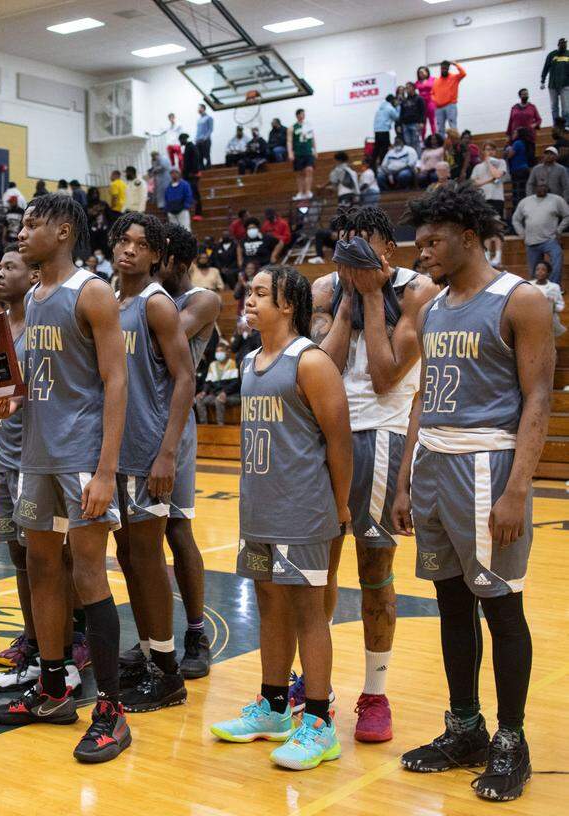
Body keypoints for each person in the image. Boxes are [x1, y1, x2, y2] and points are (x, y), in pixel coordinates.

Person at [394, 182, 552, 802]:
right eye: (420, 242)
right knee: (451, 604)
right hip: (434, 464)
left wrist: (518, 489)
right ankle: (465, 728)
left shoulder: (522, 299)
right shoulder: (430, 307)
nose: (423, 253)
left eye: (433, 242)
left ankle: (511, 741)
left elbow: (538, 396)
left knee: (501, 607)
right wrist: (407, 475)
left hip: (489, 466)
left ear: (468, 237)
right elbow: (422, 396)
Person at [0, 193, 131, 764]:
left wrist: (105, 469)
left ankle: (112, 713)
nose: (21, 233)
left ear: (64, 231)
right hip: (35, 455)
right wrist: (8, 403)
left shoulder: (91, 291)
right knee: (43, 567)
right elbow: (39, 378)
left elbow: (115, 382)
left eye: (31, 224)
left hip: (80, 460)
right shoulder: (33, 296)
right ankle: (52, 689)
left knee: (89, 575)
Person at [209, 265, 351, 771]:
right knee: (268, 604)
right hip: (260, 509)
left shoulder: (310, 362)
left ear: (288, 305)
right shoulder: (250, 362)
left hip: (305, 510)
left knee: (310, 612)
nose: (249, 299)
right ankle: (272, 707)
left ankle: (319, 722)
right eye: (249, 291)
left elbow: (339, 440)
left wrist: (339, 508)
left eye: (261, 293)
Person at [309, 206, 438, 744]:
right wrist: (347, 297)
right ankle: (315, 688)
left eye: (364, 243)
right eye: (346, 243)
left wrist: (368, 293)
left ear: (389, 249)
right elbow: (323, 366)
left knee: (376, 574)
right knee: (319, 572)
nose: (353, 252)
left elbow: (386, 377)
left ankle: (375, 694)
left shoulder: (417, 291)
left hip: (381, 437)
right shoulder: (322, 290)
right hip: (325, 436)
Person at [0, 248, 79, 692]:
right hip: (4, 457)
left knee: (50, 557)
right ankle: (35, 648)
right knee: (19, 556)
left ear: (34, 275)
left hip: (43, 458)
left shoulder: (44, 323)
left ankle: (66, 650)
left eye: (9, 267)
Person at [107, 213, 194, 713]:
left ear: (158, 256)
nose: (131, 250)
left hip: (146, 452)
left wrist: (167, 452)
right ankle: (146, 651)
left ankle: (168, 671)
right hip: (112, 452)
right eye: (125, 240)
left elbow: (184, 379)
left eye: (142, 245)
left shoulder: (156, 305)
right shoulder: (110, 301)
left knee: (147, 557)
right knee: (128, 558)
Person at [156, 224, 220, 678]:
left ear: (176, 261)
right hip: (131, 422)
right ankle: (150, 639)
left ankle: (196, 631)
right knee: (136, 538)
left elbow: (163, 339)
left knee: (178, 530)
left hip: (172, 425)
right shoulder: (139, 299)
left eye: (152, 255)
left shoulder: (201, 300)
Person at [512, 181, 569, 282]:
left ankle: (554, 287)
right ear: (534, 188)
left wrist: (559, 230)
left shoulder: (556, 199)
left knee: (557, 260)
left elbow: (567, 215)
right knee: (534, 271)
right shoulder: (525, 201)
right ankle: (537, 291)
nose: (542, 188)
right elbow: (515, 219)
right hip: (531, 241)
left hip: (550, 240)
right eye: (539, 186)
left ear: (548, 188)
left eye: (544, 186)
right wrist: (522, 233)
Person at [196, 342, 238, 425]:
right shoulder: (212, 365)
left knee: (218, 400)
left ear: (226, 352)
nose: (219, 353)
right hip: (215, 394)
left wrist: (224, 392)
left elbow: (235, 383)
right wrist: (204, 392)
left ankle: (220, 426)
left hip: (230, 394)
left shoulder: (232, 363)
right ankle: (204, 425)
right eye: (217, 351)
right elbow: (208, 382)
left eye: (221, 351)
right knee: (199, 399)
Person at [471, 142, 509, 221]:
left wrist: (489, 162)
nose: (490, 152)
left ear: (495, 151)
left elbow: (497, 175)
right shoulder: (477, 167)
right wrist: (491, 179)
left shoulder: (501, 162)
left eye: (492, 149)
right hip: (482, 199)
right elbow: (474, 184)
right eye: (488, 150)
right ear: (483, 151)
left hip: (497, 198)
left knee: (497, 224)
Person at [530, 260, 566, 338]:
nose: (540, 272)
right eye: (537, 269)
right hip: (532, 317)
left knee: (548, 338)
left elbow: (560, 304)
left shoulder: (554, 287)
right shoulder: (529, 285)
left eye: (543, 270)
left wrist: (553, 306)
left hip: (549, 319)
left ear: (548, 273)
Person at [507, 89, 541, 167]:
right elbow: (510, 121)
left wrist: (534, 125)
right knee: (516, 156)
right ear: (520, 96)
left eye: (526, 94)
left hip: (529, 136)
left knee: (530, 157)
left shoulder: (532, 107)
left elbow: (539, 120)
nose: (525, 95)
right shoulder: (514, 108)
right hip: (516, 136)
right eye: (523, 94)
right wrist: (508, 136)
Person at [288, 109, 316, 200]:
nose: (303, 116)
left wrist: (315, 150)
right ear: (297, 115)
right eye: (301, 114)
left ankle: (308, 191)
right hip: (298, 152)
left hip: (308, 151)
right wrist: (290, 152)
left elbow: (312, 138)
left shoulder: (308, 126)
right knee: (299, 173)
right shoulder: (292, 127)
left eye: (304, 114)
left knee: (309, 170)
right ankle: (300, 192)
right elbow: (289, 141)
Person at [432, 60, 465, 134]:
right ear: (440, 69)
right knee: (440, 128)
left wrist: (456, 64)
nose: (444, 70)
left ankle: (455, 144)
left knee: (452, 125)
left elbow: (463, 73)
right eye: (442, 68)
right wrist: (435, 101)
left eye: (445, 68)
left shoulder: (454, 77)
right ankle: (443, 144)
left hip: (450, 105)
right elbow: (432, 93)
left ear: (448, 69)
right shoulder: (436, 81)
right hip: (439, 108)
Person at [540, 37, 569, 121]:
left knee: (566, 107)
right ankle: (556, 125)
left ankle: (566, 124)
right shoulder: (552, 55)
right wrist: (542, 81)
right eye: (562, 43)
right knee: (554, 106)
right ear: (558, 45)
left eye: (565, 43)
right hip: (553, 85)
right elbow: (545, 68)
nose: (564, 44)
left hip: (565, 85)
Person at [178, 136, 204, 220]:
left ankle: (198, 213)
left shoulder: (191, 147)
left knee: (195, 195)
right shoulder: (188, 147)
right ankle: (194, 212)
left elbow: (195, 161)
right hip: (189, 175)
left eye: (180, 140)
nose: (180, 142)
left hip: (191, 176)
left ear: (184, 139)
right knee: (191, 194)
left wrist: (193, 172)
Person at [506, 129, 532, 213]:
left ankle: (519, 211)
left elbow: (509, 155)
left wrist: (507, 147)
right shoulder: (522, 142)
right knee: (522, 192)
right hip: (523, 169)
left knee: (517, 193)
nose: (512, 134)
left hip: (518, 170)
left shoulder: (517, 143)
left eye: (514, 133)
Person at [398, 81, 426, 156]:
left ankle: (418, 160)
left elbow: (423, 111)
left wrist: (422, 122)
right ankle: (411, 158)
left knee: (416, 142)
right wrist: (400, 125)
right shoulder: (404, 101)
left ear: (413, 88)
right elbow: (401, 113)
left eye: (408, 87)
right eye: (406, 88)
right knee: (407, 143)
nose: (407, 89)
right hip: (405, 125)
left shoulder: (419, 98)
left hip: (415, 124)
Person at [373, 94, 398, 167]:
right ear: (392, 100)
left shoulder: (380, 108)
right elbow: (396, 117)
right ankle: (383, 164)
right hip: (384, 130)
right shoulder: (390, 108)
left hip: (377, 130)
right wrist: (397, 107)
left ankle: (372, 164)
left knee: (377, 148)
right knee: (384, 148)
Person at [415, 66, 437, 137]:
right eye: (419, 73)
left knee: (432, 122)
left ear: (427, 72)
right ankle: (422, 140)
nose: (420, 74)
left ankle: (435, 138)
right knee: (423, 123)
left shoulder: (433, 79)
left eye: (422, 72)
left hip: (430, 102)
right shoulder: (417, 82)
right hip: (421, 105)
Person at [195, 103, 213, 169]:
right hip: (198, 140)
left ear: (203, 108)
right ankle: (201, 169)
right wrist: (196, 138)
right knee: (199, 156)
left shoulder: (209, 118)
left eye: (199, 108)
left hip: (205, 140)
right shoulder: (199, 120)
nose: (198, 109)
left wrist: (205, 138)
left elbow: (210, 129)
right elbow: (198, 130)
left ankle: (208, 170)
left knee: (206, 156)